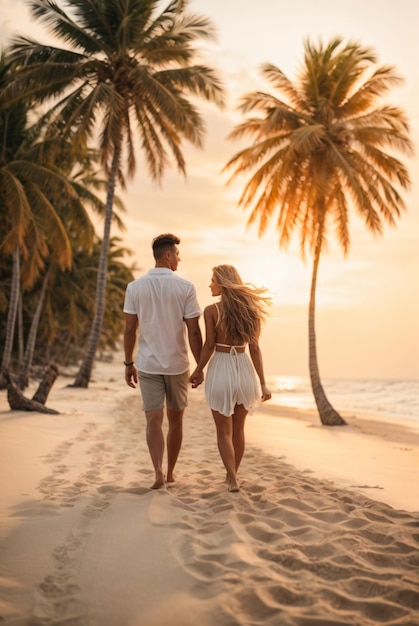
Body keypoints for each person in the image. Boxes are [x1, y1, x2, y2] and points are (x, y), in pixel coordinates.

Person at [123, 234, 203, 489]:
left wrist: (128, 364)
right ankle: (170, 473)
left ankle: (157, 471)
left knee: (153, 419)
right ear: (167, 255)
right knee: (176, 420)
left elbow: (129, 331)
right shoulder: (186, 287)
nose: (179, 258)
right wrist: (200, 366)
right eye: (177, 254)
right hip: (178, 365)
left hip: (147, 364)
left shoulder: (134, 287)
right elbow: (194, 332)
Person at [189, 265, 271, 492]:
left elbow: (208, 346)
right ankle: (231, 476)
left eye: (213, 280)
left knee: (223, 431)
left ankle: (232, 479)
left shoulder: (211, 311)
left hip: (222, 368)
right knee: (238, 430)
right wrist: (262, 382)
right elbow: (255, 349)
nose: (210, 285)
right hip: (244, 369)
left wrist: (198, 370)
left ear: (223, 283)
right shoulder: (250, 310)